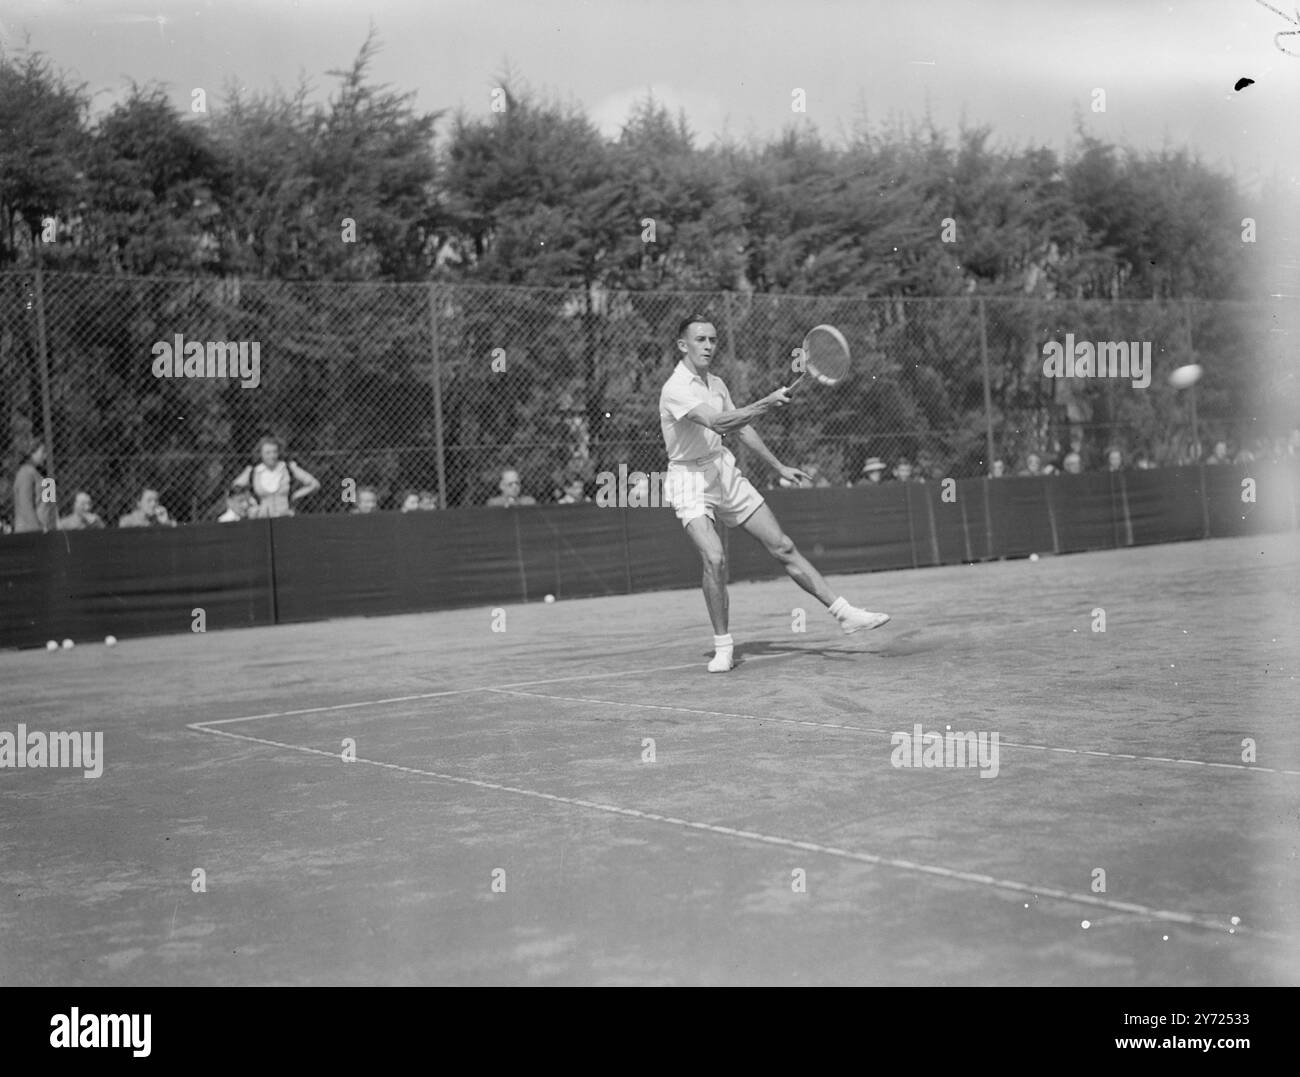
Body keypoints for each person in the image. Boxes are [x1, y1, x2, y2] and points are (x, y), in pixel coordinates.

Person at [659, 313, 890, 673]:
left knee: (782, 546)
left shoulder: (716, 383)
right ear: (682, 345)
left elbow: (739, 427)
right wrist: (766, 403)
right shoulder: (676, 388)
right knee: (715, 558)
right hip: (688, 479)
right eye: (700, 340)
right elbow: (718, 423)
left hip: (723, 470)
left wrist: (777, 466)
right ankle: (723, 647)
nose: (708, 346)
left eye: (713, 340)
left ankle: (845, 614)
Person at [231, 436, 320, 517]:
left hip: (285, 516)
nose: (272, 456)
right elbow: (234, 488)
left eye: (275, 452)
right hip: (262, 518)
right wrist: (251, 502)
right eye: (268, 453)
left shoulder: (288, 468)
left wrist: (296, 495)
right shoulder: (253, 471)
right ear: (260, 453)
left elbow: (314, 484)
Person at [11, 440, 55, 533]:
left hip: (45, 530)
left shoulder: (40, 474)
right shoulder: (26, 473)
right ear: (32, 453)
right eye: (43, 452)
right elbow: (25, 506)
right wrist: (37, 529)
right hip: (29, 533)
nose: (46, 456)